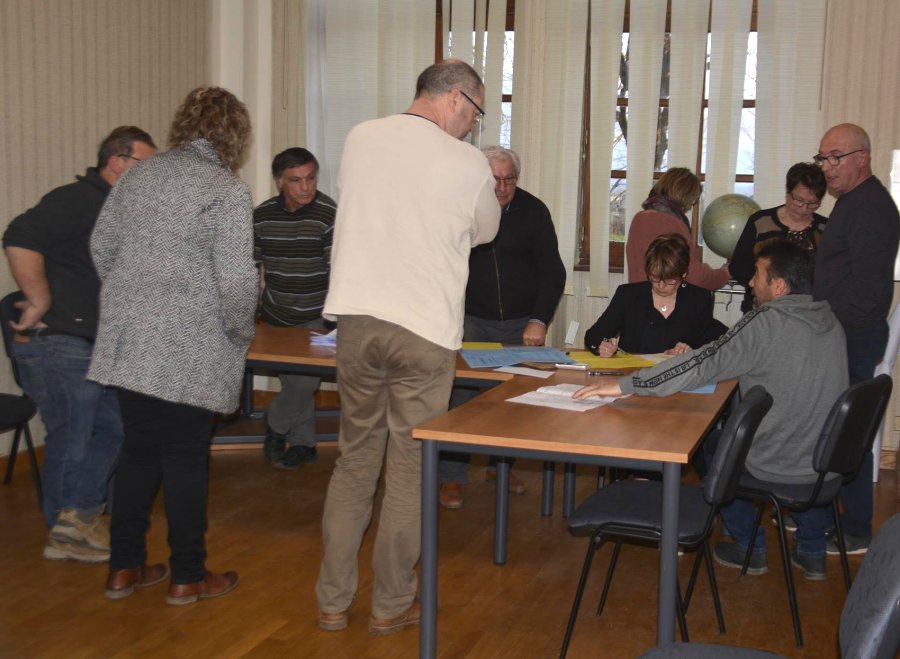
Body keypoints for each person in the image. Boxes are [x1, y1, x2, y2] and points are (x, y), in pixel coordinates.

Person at [315, 60, 500, 635]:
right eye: (475, 113)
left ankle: (332, 601)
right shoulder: (467, 163)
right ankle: (391, 605)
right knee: (410, 470)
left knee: (354, 461)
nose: (472, 125)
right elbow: (488, 230)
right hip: (422, 330)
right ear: (456, 98)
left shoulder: (360, 137)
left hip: (356, 321)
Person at [574, 239, 848, 580]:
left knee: (714, 447)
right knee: (762, 436)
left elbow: (704, 362)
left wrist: (625, 385)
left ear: (778, 286)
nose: (750, 282)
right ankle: (812, 550)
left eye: (757, 275)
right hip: (824, 465)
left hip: (778, 463)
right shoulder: (830, 320)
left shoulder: (765, 322)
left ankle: (749, 547)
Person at [89, 87, 257, 604]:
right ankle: (187, 575)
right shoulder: (226, 190)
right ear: (235, 136)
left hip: (130, 341)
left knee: (138, 452)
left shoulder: (137, 176)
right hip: (193, 346)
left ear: (183, 124)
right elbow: (237, 282)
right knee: (185, 458)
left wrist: (133, 299)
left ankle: (124, 568)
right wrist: (239, 332)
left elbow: (101, 246)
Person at [3, 126, 157, 563]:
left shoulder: (118, 209)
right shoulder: (78, 199)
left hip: (94, 344)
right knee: (72, 434)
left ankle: (78, 518)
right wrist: (39, 299)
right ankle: (64, 531)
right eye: (146, 166)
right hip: (59, 343)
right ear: (117, 163)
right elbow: (19, 236)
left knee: (117, 428)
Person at [438, 145, 566, 509]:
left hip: (522, 324)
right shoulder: (459, 208)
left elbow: (553, 271)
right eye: (495, 179)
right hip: (471, 321)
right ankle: (451, 476)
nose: (502, 187)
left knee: (512, 402)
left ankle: (501, 467)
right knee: (461, 400)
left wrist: (539, 319)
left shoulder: (533, 211)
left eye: (510, 179)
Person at [812, 123, 900, 555]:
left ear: (862, 158)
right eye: (822, 158)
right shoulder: (852, 202)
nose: (827, 167)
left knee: (850, 433)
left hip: (854, 336)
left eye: (836, 157)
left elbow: (867, 295)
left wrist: (820, 321)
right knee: (833, 428)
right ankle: (823, 514)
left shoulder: (872, 209)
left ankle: (856, 528)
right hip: (840, 333)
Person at [253, 147, 336, 469]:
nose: (306, 187)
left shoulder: (328, 214)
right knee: (294, 384)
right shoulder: (261, 216)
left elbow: (337, 270)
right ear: (279, 182)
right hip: (275, 316)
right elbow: (251, 268)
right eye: (296, 180)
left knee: (304, 382)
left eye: (311, 178)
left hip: (316, 318)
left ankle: (274, 426)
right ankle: (304, 444)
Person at [584, 233, 727, 358]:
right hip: (633, 374)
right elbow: (592, 336)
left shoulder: (699, 299)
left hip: (678, 376)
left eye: (670, 279)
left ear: (684, 274)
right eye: (655, 278)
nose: (661, 285)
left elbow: (711, 344)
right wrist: (603, 347)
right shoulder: (628, 295)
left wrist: (690, 351)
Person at [730, 162, 827, 312]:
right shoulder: (760, 222)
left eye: (812, 203)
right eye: (798, 200)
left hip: (808, 312)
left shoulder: (826, 229)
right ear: (788, 192)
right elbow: (738, 266)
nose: (803, 208)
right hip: (761, 309)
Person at [626, 167, 730, 290]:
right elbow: (696, 277)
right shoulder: (672, 223)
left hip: (638, 298)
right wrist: (725, 273)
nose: (691, 205)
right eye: (693, 199)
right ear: (686, 196)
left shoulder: (639, 218)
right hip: (663, 299)